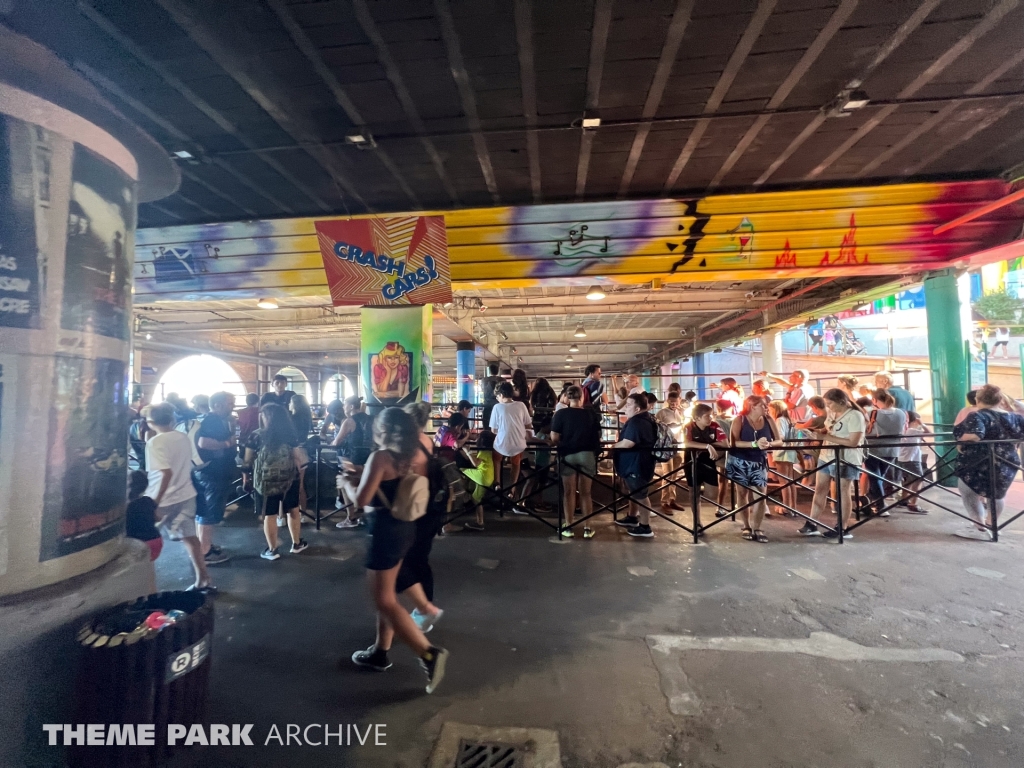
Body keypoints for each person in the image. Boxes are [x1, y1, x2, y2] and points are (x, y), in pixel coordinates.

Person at [342, 407, 449, 692]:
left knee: (384, 600)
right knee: (390, 588)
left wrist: (346, 483)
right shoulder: (416, 452)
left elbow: (363, 500)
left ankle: (429, 654)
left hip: (385, 532)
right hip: (408, 527)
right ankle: (381, 650)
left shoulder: (380, 457)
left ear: (383, 431)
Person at [145, 403, 214, 593]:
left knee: (145, 542)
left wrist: (155, 502)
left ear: (150, 422)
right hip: (186, 493)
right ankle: (203, 578)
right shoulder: (182, 437)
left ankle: (148, 589)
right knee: (190, 538)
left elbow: (165, 473)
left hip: (164, 498)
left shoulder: (155, 443)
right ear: (171, 419)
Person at [953, 384, 1024, 540]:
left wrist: (960, 441)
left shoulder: (978, 415)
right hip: (1007, 460)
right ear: (999, 400)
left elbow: (975, 435)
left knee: (968, 491)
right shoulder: (1015, 417)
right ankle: (993, 525)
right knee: (998, 494)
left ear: (978, 400)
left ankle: (979, 526)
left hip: (978, 461)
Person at [398, 402, 445, 633]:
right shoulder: (427, 441)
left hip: (414, 509)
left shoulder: (407, 446)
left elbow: (400, 476)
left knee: (401, 563)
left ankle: (424, 609)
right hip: (430, 507)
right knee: (420, 559)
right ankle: (424, 609)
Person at [244, 403, 308, 560]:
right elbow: (298, 459)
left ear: (266, 417)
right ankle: (296, 544)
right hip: (289, 479)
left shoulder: (256, 436)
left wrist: (246, 478)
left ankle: (272, 550)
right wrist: (299, 480)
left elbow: (247, 461)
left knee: (270, 515)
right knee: (293, 511)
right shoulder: (290, 435)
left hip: (265, 482)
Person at [799, 389, 865, 539]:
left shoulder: (855, 416)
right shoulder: (832, 413)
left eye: (830, 403)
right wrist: (816, 432)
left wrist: (827, 436)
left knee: (843, 491)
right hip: (826, 455)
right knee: (820, 489)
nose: (828, 407)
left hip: (846, 458)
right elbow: (828, 429)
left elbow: (853, 442)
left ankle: (842, 527)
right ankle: (812, 522)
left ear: (841, 402)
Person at [726, 396, 781, 542]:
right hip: (739, 460)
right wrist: (754, 444)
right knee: (742, 493)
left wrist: (769, 444)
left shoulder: (769, 420)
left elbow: (779, 440)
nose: (766, 407)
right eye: (763, 405)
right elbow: (734, 442)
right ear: (753, 406)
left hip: (759, 461)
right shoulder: (740, 420)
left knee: (761, 495)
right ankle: (746, 526)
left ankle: (757, 527)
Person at [550, 385, 601, 539]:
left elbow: (554, 438)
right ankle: (587, 528)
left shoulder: (560, 414)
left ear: (567, 397)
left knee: (569, 492)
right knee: (586, 493)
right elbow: (598, 436)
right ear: (582, 397)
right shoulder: (591, 414)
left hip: (568, 455)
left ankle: (569, 526)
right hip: (587, 455)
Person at [194, 391, 236, 566]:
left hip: (209, 473)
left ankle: (203, 546)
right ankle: (205, 552)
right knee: (209, 512)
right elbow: (203, 443)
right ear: (218, 405)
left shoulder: (210, 420)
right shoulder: (212, 421)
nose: (233, 406)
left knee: (205, 511)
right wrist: (227, 444)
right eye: (230, 403)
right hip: (213, 474)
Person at [612, 393, 658, 538]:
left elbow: (628, 443)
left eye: (629, 405)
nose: (626, 407)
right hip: (638, 462)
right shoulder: (647, 418)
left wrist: (613, 447)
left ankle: (645, 526)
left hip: (636, 464)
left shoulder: (637, 422)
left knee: (640, 494)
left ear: (637, 408)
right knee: (634, 492)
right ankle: (632, 517)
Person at [490, 381, 533, 513]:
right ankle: (512, 489)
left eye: (497, 396)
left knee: (496, 458)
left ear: (501, 395)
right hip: (518, 444)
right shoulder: (521, 405)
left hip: (502, 444)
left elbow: (493, 430)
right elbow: (528, 425)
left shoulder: (497, 407)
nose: (497, 398)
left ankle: (497, 482)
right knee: (516, 461)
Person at [681, 403, 728, 521]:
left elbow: (725, 444)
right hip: (692, 461)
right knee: (693, 492)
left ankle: (700, 492)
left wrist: (710, 446)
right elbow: (687, 443)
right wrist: (706, 446)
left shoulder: (715, 426)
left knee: (712, 495)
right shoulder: (689, 427)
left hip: (709, 460)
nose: (711, 418)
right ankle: (697, 521)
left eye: (711, 415)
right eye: (707, 416)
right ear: (697, 418)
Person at [333, 396, 374, 529]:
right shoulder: (371, 419)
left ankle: (351, 517)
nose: (343, 407)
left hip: (353, 459)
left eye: (345, 404)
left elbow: (336, 442)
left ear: (351, 407)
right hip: (370, 459)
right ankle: (368, 517)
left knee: (347, 484)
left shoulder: (349, 421)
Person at [865, 389, 906, 517]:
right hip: (892, 449)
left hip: (873, 448)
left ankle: (880, 505)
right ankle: (873, 501)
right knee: (879, 477)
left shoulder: (872, 412)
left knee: (875, 477)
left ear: (874, 400)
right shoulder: (901, 413)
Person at [656, 390, 687, 513]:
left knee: (675, 475)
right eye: (671, 401)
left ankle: (672, 499)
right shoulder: (662, 413)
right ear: (667, 401)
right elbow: (657, 428)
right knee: (667, 474)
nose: (673, 404)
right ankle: (664, 502)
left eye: (675, 401)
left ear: (679, 401)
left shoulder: (680, 412)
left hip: (678, 445)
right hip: (666, 447)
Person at [768, 400, 800, 517]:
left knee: (784, 481)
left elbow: (780, 436)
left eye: (771, 409)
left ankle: (786, 506)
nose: (769, 411)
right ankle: (793, 507)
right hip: (790, 452)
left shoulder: (779, 420)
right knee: (790, 481)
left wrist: (770, 439)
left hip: (782, 453)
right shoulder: (788, 419)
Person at [461, 430, 496, 532]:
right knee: (476, 498)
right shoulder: (490, 450)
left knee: (461, 470)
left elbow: (475, 464)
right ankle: (480, 522)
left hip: (482, 476)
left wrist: (467, 452)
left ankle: (462, 493)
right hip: (489, 477)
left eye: (478, 436)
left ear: (482, 440)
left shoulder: (483, 450)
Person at [897, 411, 930, 514]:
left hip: (902, 459)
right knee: (919, 480)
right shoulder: (912, 431)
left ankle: (904, 499)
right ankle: (913, 503)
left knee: (908, 480)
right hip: (912, 459)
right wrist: (922, 424)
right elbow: (929, 432)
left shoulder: (902, 430)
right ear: (916, 420)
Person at [126, 469, 162, 561]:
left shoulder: (125, 506)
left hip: (137, 544)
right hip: (156, 541)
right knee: (147, 565)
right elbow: (158, 518)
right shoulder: (148, 500)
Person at [481, 362, 502, 429]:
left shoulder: (484, 380)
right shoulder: (502, 380)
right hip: (499, 405)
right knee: (499, 426)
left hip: (487, 405)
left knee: (486, 425)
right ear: (498, 371)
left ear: (489, 371)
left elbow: (483, 390)